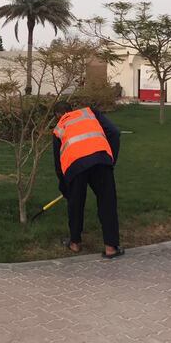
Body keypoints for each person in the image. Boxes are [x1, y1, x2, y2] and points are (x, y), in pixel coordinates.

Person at [52, 103, 124, 259]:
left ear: (58, 115)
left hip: (75, 166)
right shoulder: (90, 113)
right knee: (107, 202)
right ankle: (111, 247)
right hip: (101, 160)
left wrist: (65, 187)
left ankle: (75, 243)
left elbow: (58, 165)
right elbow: (115, 133)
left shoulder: (59, 127)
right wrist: (110, 160)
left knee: (76, 203)